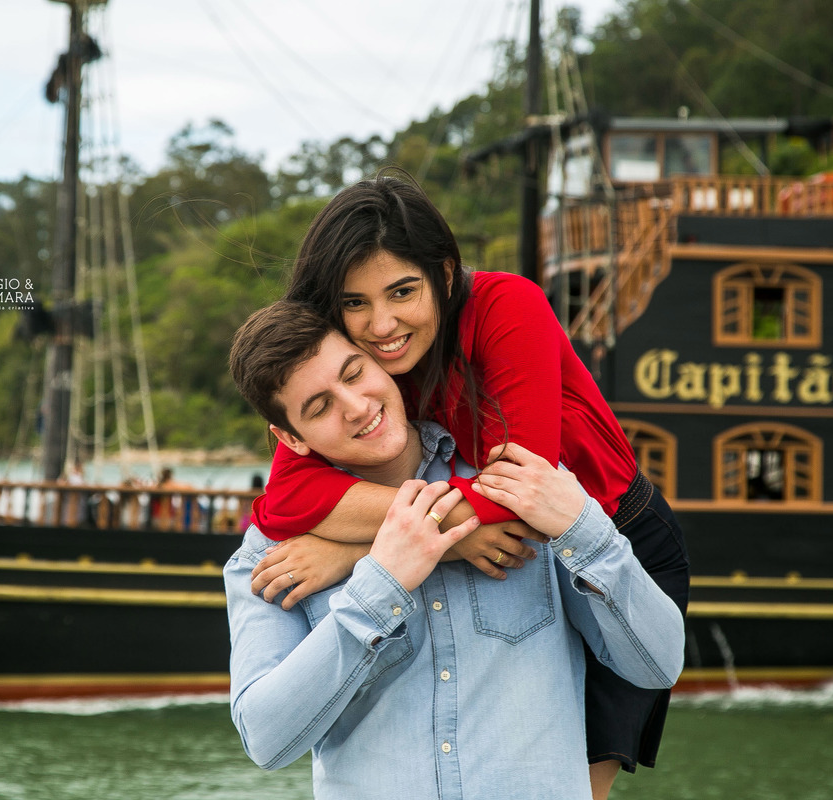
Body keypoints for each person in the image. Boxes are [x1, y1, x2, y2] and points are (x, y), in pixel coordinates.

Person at [249, 172, 690, 798]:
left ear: (445, 274)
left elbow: (523, 488)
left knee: (581, 785)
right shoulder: (360, 369)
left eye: (403, 291)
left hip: (612, 536)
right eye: (354, 303)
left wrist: (350, 553)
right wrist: (439, 541)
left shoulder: (505, 307)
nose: (381, 324)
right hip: (503, 535)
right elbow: (286, 501)